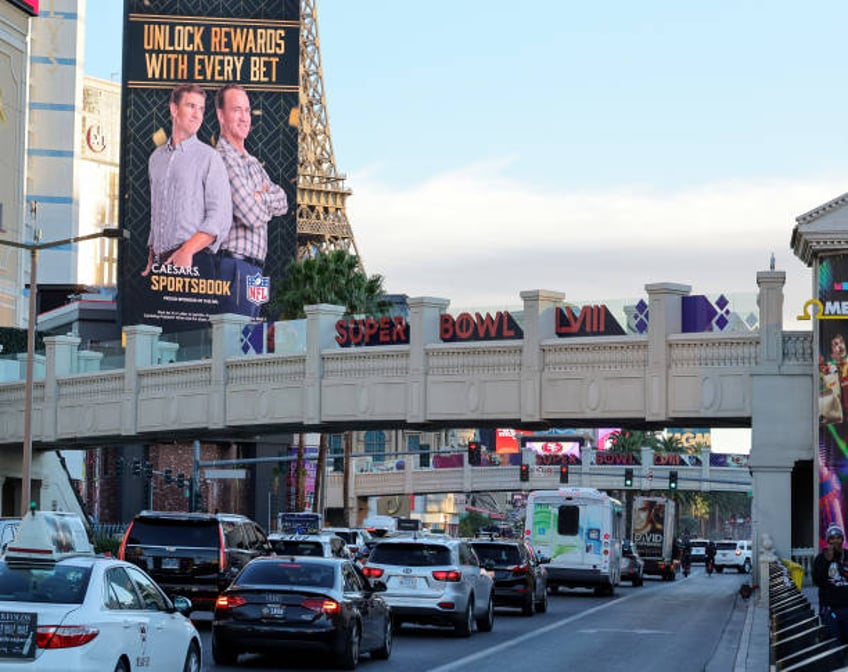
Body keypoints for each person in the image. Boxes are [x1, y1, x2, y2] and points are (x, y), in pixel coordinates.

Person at [214, 83, 289, 318]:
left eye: (247, 111)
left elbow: (284, 201)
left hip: (255, 269)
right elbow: (250, 215)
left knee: (249, 346)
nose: (244, 117)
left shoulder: (254, 163)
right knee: (236, 343)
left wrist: (258, 197)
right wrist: (264, 199)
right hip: (235, 266)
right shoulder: (223, 158)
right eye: (237, 110)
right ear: (221, 115)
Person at [143, 84, 232, 276]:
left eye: (201, 109)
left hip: (194, 259)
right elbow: (157, 212)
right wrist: (152, 253)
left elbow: (220, 216)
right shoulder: (155, 158)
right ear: (174, 109)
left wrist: (187, 250)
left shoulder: (210, 157)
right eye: (191, 106)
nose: (197, 115)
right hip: (160, 263)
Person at [813, 524, 848, 643]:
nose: (835, 541)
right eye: (832, 538)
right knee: (834, 642)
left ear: (842, 539)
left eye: (838, 537)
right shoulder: (821, 558)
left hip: (846, 607)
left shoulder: (847, 555)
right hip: (830, 608)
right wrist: (827, 561)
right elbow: (817, 581)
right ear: (828, 540)